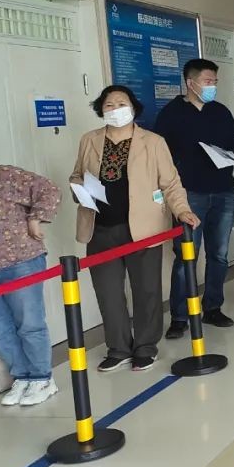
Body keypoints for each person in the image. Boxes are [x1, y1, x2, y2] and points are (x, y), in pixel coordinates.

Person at [71, 85, 200, 373]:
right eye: (109, 105)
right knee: (108, 293)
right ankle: (118, 348)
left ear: (133, 108)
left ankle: (145, 346)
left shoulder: (153, 142)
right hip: (100, 228)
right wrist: (78, 188)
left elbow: (170, 183)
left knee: (147, 290)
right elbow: (77, 174)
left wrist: (182, 210)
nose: (115, 109)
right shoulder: (89, 140)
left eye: (121, 103)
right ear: (101, 110)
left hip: (143, 228)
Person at [156, 58, 234, 340]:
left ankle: (213, 307)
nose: (212, 86)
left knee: (219, 254)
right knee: (186, 257)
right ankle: (180, 316)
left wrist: (225, 154)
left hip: (222, 191)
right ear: (190, 83)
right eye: (208, 82)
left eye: (215, 82)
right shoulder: (171, 114)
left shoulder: (221, 111)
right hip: (189, 194)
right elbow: (161, 155)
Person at [0, 162, 61, 406]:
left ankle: (42, 378)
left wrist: (35, 219)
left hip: (20, 261)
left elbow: (50, 189)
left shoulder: (5, 175)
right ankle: (22, 376)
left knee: (29, 323)